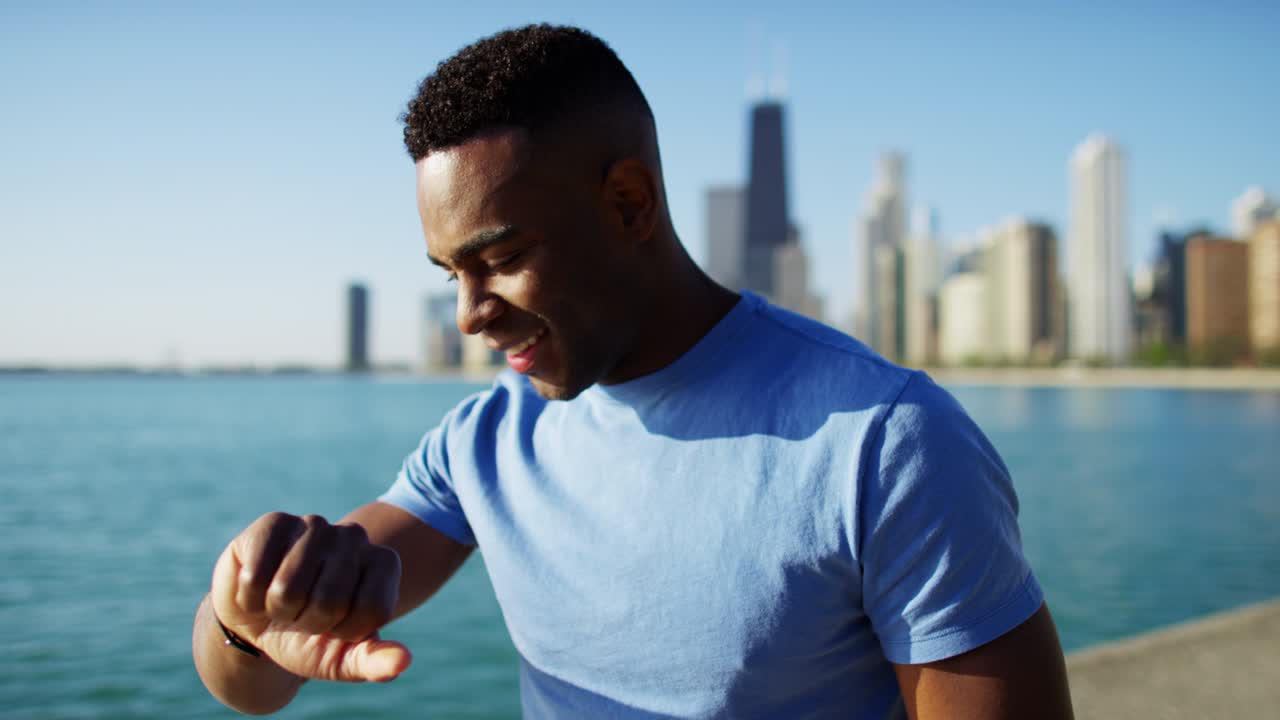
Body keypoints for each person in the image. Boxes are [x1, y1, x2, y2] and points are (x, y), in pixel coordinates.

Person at [192, 24, 1074, 719]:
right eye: (448, 275)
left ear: (629, 202)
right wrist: (249, 613)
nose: (468, 314)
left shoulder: (887, 442)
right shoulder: (485, 442)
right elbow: (251, 685)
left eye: (500, 258)